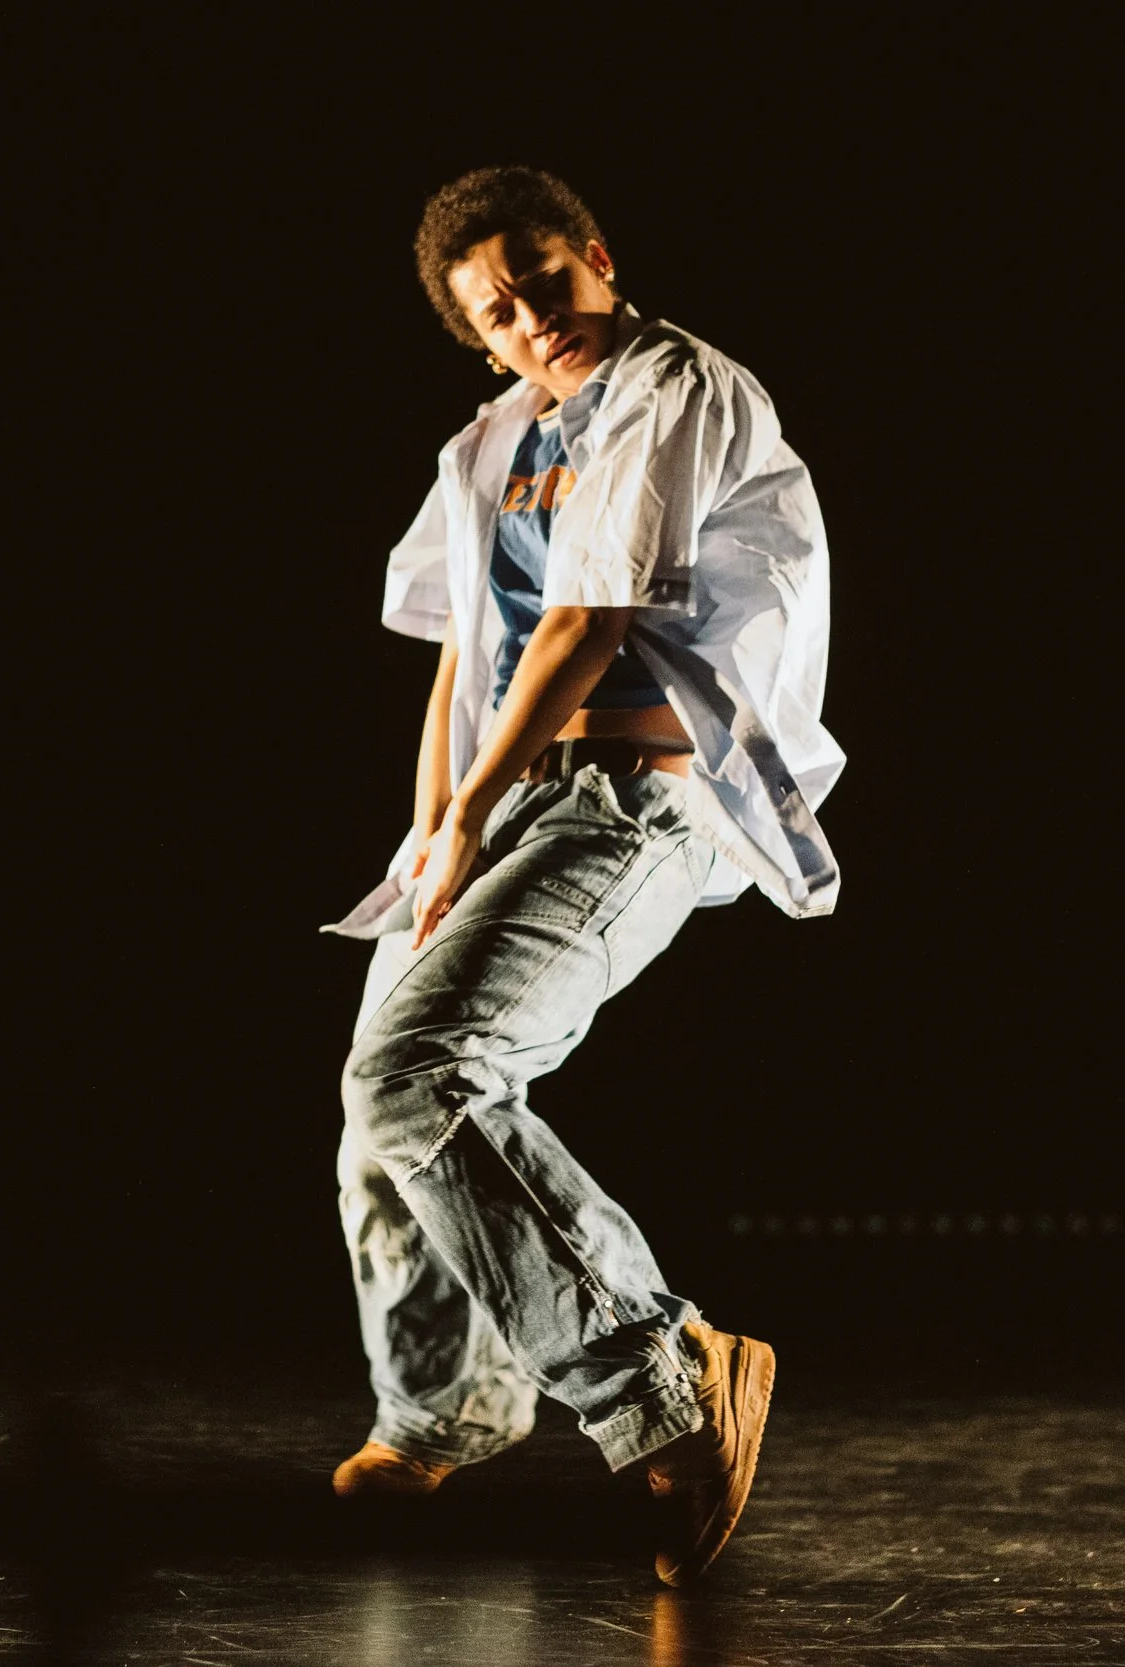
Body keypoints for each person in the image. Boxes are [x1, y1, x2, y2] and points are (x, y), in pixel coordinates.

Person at [322, 166, 844, 1586]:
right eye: (498, 308)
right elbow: (456, 661)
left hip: (636, 799)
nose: (533, 314)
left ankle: (667, 1376)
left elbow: (592, 615)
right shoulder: (487, 444)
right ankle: (448, 1406)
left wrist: (481, 798)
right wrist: (437, 830)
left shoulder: (673, 384)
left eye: (545, 276)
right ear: (477, 339)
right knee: (384, 1100)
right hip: (511, 803)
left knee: (426, 1069)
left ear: (597, 258)